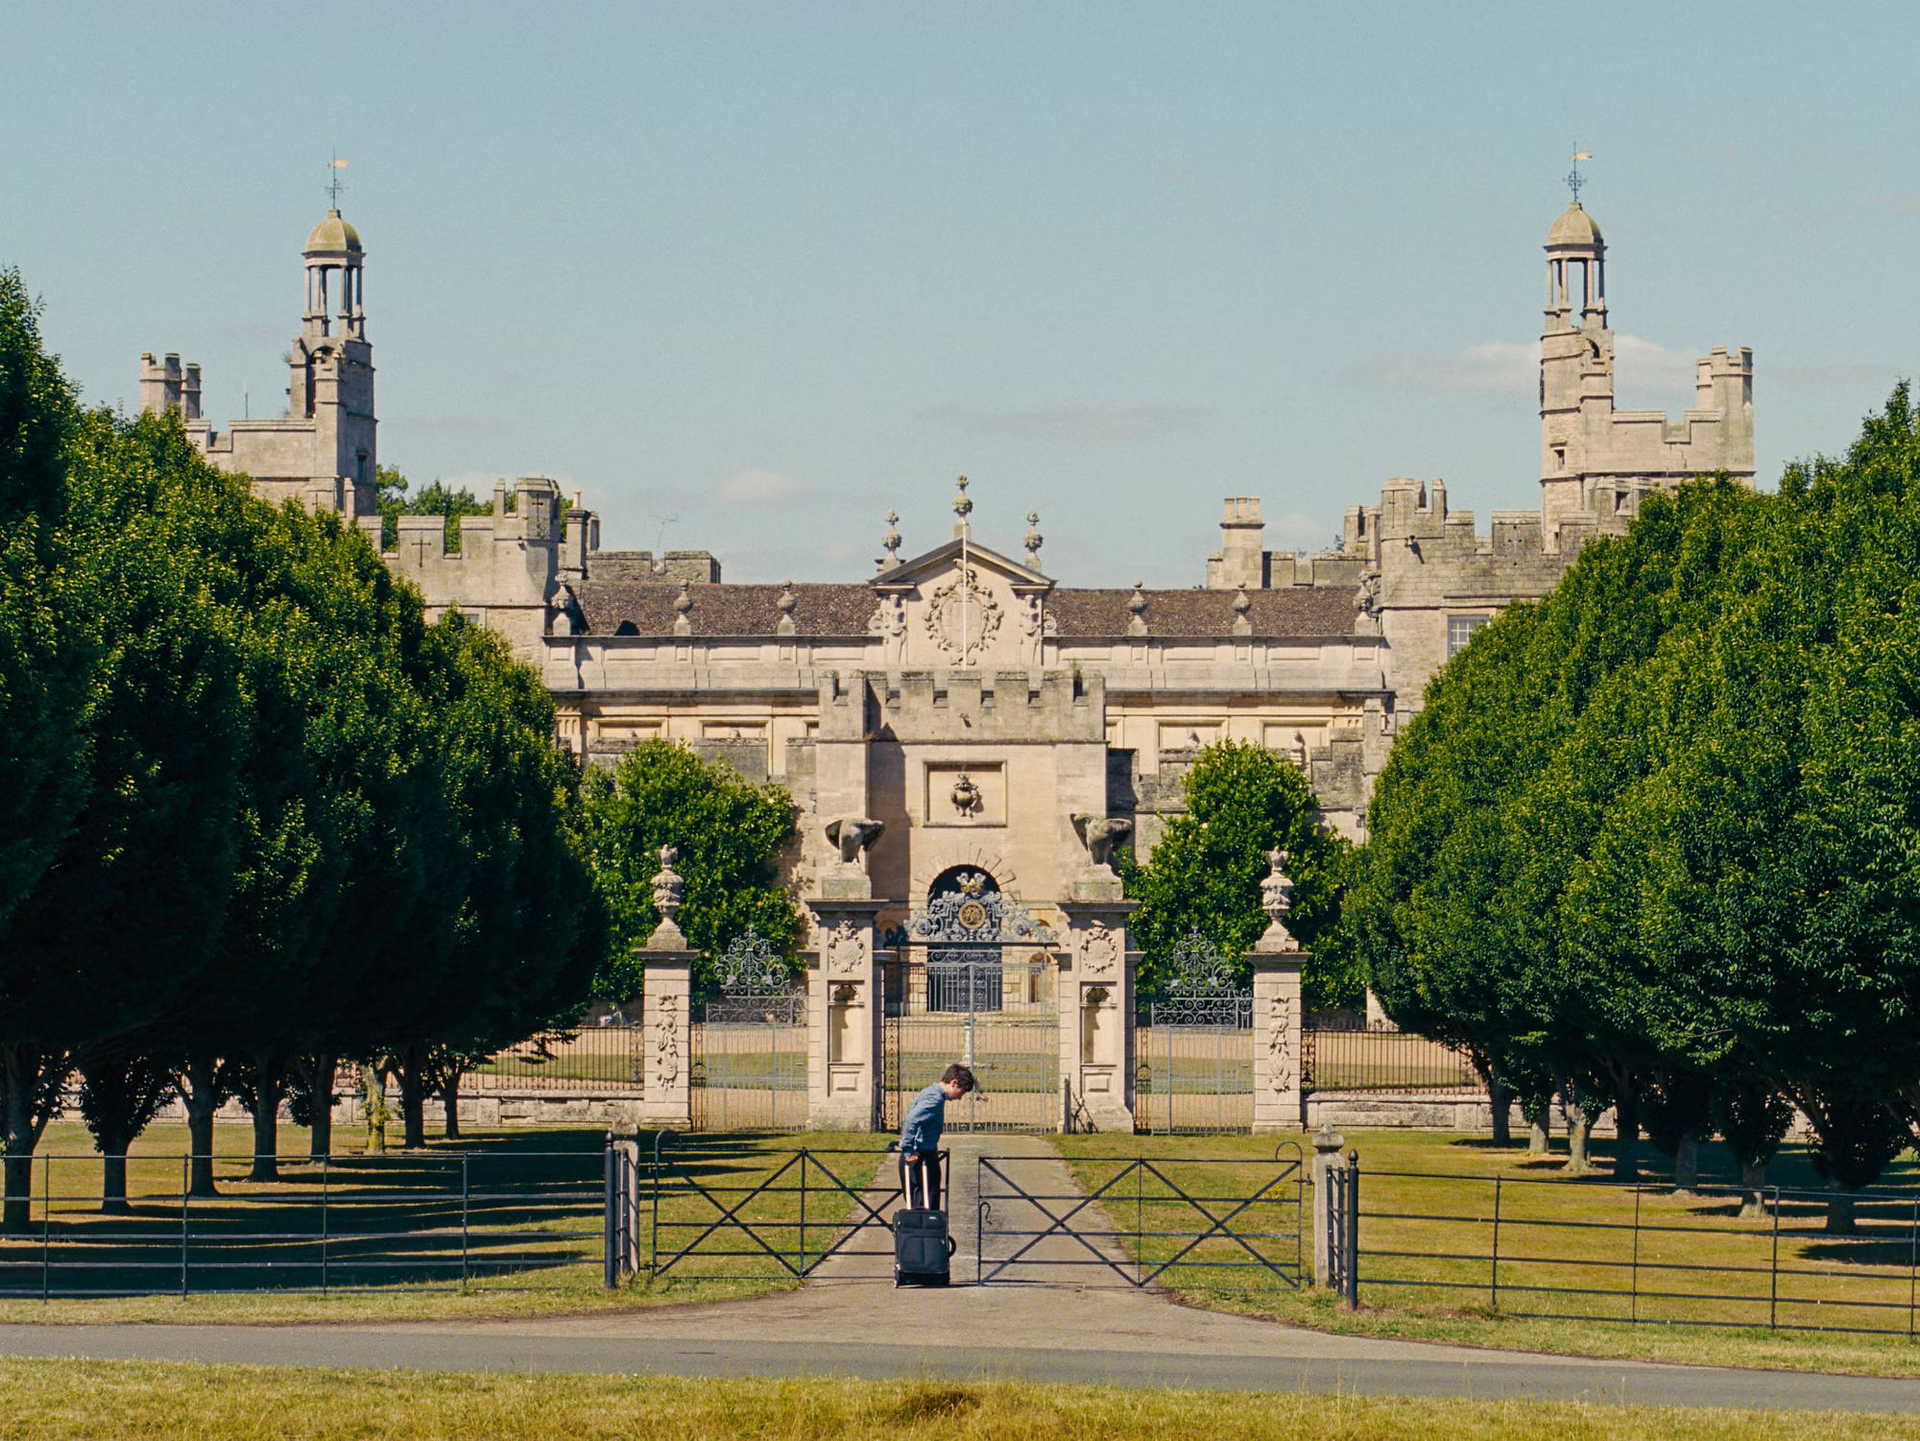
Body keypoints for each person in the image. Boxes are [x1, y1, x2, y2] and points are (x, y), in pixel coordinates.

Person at [897, 1063, 975, 1212]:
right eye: (962, 1092)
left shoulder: (930, 1092)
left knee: (923, 1206)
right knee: (924, 1209)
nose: (959, 1097)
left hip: (924, 1153)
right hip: (920, 1158)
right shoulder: (934, 1098)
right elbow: (911, 1120)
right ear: (954, 1083)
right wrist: (908, 1150)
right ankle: (924, 1235)